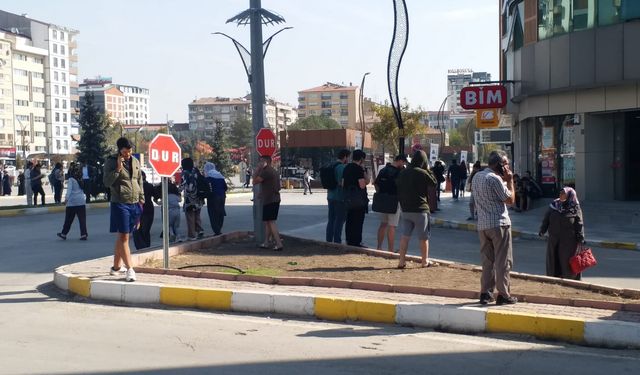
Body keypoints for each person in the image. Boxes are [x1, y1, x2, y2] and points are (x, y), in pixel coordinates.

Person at [472, 150, 517, 305]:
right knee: (503, 261)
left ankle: (485, 293)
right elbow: (510, 199)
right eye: (506, 164)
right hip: (499, 224)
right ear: (499, 165)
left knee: (487, 261)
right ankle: (503, 294)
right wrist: (510, 180)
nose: (508, 167)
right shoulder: (494, 179)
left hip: (483, 225)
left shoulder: (478, 176)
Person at [103, 137, 144, 282]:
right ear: (119, 150)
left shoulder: (135, 161)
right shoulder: (111, 161)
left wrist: (142, 199)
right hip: (120, 202)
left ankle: (115, 268)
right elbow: (107, 182)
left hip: (135, 203)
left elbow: (139, 181)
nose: (127, 154)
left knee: (124, 235)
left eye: (130, 151)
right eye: (125, 152)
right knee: (124, 237)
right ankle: (130, 269)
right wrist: (118, 169)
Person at [396, 150, 438, 268]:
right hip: (420, 209)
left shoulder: (403, 172)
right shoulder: (422, 172)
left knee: (405, 236)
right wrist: (428, 169)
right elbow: (434, 183)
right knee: (423, 237)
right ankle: (424, 261)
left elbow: (398, 186)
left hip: (406, 209)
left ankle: (401, 261)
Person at [539, 187, 585, 280]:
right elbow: (546, 219)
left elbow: (579, 223)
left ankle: (570, 279)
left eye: (563, 193)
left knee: (567, 260)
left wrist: (581, 237)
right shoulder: (554, 205)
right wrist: (542, 230)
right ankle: (553, 278)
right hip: (554, 238)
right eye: (560, 193)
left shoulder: (575, 207)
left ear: (569, 195)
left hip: (568, 240)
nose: (560, 195)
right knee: (553, 258)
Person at [374, 155, 406, 253]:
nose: (404, 165)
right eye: (404, 162)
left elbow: (376, 183)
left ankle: (379, 247)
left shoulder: (383, 170)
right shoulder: (399, 172)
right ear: (400, 161)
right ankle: (390, 250)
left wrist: (380, 193)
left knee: (383, 224)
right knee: (392, 226)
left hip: (383, 200)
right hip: (394, 201)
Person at [253, 155, 284, 251]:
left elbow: (254, 181)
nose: (259, 163)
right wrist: (263, 193)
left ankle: (278, 243)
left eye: (261, 162)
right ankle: (266, 242)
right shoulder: (274, 171)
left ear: (266, 162)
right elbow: (277, 186)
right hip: (274, 199)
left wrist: (257, 170)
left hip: (270, 200)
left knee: (271, 222)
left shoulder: (266, 172)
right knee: (267, 222)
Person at [343, 149, 370, 247]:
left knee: (349, 220)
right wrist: (364, 171)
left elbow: (342, 183)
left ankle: (348, 240)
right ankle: (357, 241)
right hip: (358, 200)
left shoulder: (346, 168)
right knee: (358, 221)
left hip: (348, 198)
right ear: (362, 159)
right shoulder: (358, 169)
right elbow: (363, 185)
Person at [326, 149, 351, 244]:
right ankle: (337, 241)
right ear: (345, 157)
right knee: (339, 220)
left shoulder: (331, 165)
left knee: (331, 220)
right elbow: (342, 183)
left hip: (330, 196)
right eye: (348, 157)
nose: (348, 159)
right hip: (339, 197)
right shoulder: (342, 167)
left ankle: (328, 240)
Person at [57, 163, 88, 240]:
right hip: (81, 202)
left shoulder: (71, 179)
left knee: (68, 220)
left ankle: (64, 234)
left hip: (72, 203)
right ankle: (83, 234)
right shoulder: (81, 179)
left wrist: (66, 200)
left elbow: (69, 191)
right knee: (82, 220)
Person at [133, 170, 160, 250]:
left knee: (137, 230)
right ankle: (146, 247)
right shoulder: (149, 186)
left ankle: (141, 247)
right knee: (145, 230)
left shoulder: (135, 187)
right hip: (148, 210)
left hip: (138, 209)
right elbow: (156, 196)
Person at [180, 158, 205, 240]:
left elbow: (183, 185)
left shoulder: (185, 173)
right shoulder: (196, 170)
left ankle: (191, 235)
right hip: (198, 197)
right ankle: (200, 230)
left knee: (190, 217)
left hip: (189, 199)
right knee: (197, 215)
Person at [204, 162, 228, 236]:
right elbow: (225, 187)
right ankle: (219, 229)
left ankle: (216, 230)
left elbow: (207, 188)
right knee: (220, 212)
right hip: (222, 197)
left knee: (213, 214)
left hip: (213, 197)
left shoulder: (208, 177)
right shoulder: (220, 176)